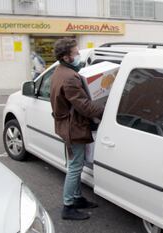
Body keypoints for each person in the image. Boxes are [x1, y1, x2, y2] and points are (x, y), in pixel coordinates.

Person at [50, 38, 104, 220]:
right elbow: (84, 107)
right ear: (66, 57)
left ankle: (77, 198)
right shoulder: (70, 77)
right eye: (76, 53)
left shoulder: (60, 71)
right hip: (73, 128)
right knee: (75, 167)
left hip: (66, 125)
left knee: (74, 164)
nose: (79, 55)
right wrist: (107, 111)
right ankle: (68, 207)